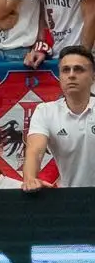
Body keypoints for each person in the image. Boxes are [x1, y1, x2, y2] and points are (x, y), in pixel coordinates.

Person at [25, 45, 95, 188]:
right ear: (59, 77)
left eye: (78, 69)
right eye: (65, 70)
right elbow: (35, 152)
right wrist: (30, 180)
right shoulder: (45, 111)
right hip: (70, 197)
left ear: (93, 77)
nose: (71, 75)